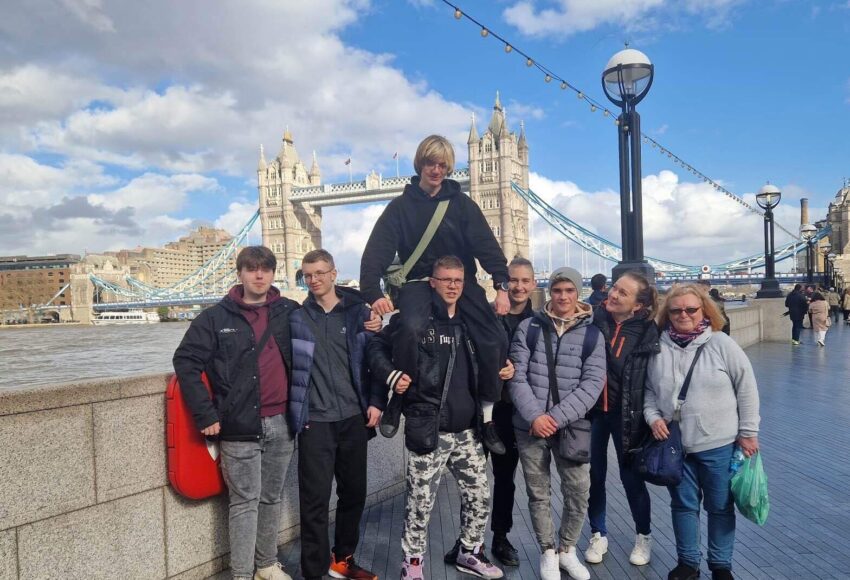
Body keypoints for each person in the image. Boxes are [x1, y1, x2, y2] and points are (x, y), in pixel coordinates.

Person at [359, 135, 509, 453]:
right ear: (420, 164)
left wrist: (502, 286)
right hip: (419, 282)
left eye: (442, 165)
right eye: (430, 163)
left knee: (494, 338)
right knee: (410, 329)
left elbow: (487, 246)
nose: (436, 170)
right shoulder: (399, 208)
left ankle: (487, 417)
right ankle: (400, 398)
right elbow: (375, 253)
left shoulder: (463, 205)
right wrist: (372, 293)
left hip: (460, 281)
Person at [368, 256, 512, 579]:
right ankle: (412, 564)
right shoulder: (414, 320)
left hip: (468, 431)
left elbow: (496, 350)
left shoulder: (472, 322)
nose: (452, 286)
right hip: (429, 428)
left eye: (458, 280)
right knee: (420, 504)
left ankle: (469, 552)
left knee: (479, 496)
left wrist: (507, 365)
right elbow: (376, 346)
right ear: (432, 282)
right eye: (445, 279)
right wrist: (391, 375)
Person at [173, 246, 300, 580]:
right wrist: (205, 414)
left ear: (273, 274)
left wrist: (369, 311)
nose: (259, 275)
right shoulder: (215, 318)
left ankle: (266, 565)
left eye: (265, 269)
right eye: (251, 268)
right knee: (244, 503)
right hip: (238, 424)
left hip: (283, 423)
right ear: (240, 273)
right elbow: (186, 361)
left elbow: (328, 317)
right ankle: (242, 575)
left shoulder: (289, 311)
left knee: (271, 499)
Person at [644, 284, 760, 580]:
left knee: (720, 506)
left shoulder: (721, 343)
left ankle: (721, 565)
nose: (683, 315)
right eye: (676, 310)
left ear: (704, 310)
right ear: (667, 314)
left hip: (718, 443)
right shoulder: (658, 347)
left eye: (691, 309)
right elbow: (648, 392)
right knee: (683, 505)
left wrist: (748, 432)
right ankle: (688, 563)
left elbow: (746, 388)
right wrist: (653, 417)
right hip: (675, 445)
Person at [288, 249, 381, 580]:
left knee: (353, 493)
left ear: (333, 274)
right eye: (307, 275)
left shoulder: (359, 314)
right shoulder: (296, 318)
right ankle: (313, 572)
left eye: (319, 273)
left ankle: (342, 560)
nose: (313, 280)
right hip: (315, 421)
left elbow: (376, 359)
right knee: (314, 500)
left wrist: (376, 401)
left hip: (354, 418)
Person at [508, 266, 606, 580]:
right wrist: (536, 417)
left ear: (578, 293)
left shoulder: (593, 334)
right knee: (538, 493)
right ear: (550, 292)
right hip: (530, 426)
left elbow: (592, 385)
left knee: (578, 491)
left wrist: (553, 418)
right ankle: (548, 551)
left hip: (571, 427)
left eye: (569, 290)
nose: (563, 297)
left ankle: (567, 549)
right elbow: (516, 377)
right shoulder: (529, 328)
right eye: (557, 290)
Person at [444, 257, 537, 567]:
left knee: (505, 479)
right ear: (503, 283)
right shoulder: (483, 313)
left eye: (524, 281)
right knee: (471, 479)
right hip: (478, 410)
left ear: (533, 284)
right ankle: (467, 539)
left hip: (512, 411)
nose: (518, 286)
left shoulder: (538, 323)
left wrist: (517, 370)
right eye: (513, 280)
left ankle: (500, 536)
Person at [585, 272, 659, 567]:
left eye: (622, 293)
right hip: (593, 413)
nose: (613, 295)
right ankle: (598, 533)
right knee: (594, 476)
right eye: (614, 288)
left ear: (638, 305)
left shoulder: (649, 332)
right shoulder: (593, 320)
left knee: (631, 479)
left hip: (627, 416)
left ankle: (643, 536)